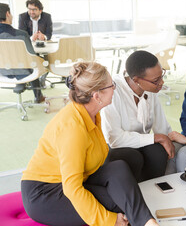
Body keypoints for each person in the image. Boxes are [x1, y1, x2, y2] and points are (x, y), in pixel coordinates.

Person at [21, 62, 159, 226]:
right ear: (97, 96)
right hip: (44, 194)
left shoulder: (91, 113)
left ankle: (147, 222)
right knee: (117, 205)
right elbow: (71, 188)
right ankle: (140, 220)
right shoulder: (73, 128)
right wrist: (110, 220)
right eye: (111, 85)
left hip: (78, 178)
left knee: (118, 167)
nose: (115, 88)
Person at [101, 50, 181, 182]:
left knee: (158, 152)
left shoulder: (151, 89)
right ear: (136, 80)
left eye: (162, 76)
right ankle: (134, 194)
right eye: (156, 80)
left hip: (142, 142)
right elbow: (115, 139)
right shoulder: (113, 91)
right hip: (117, 146)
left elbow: (162, 128)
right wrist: (157, 137)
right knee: (132, 156)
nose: (161, 83)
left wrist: (171, 139)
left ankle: (155, 190)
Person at [0, 3, 45, 103]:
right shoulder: (21, 35)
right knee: (35, 61)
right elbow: (32, 59)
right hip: (23, 72)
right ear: (7, 14)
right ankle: (38, 96)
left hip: (2, 72)